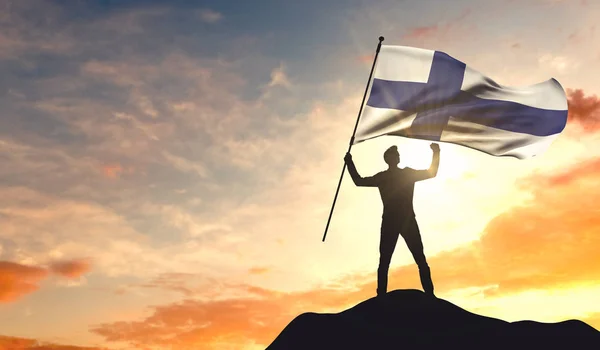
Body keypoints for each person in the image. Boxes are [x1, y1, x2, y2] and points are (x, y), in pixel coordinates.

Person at [344, 143, 440, 297]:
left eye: (397, 155)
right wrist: (349, 162)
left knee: (419, 258)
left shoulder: (404, 174)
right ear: (388, 159)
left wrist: (436, 152)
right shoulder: (384, 177)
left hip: (406, 220)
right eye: (394, 155)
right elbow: (359, 181)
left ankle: (430, 294)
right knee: (385, 261)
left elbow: (431, 173)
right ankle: (381, 295)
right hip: (393, 222)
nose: (397, 156)